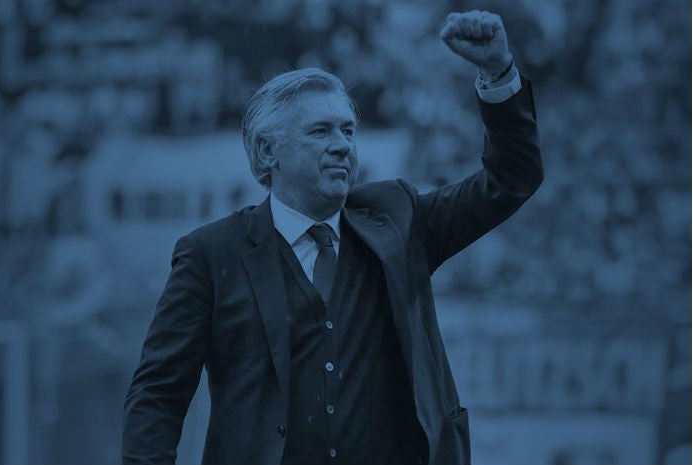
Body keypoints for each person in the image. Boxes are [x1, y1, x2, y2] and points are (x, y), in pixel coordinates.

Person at [123, 10, 543, 465]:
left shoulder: (398, 218)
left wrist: (497, 73)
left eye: (347, 130)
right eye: (320, 131)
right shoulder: (210, 254)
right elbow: (158, 395)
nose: (342, 144)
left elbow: (510, 180)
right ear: (267, 151)